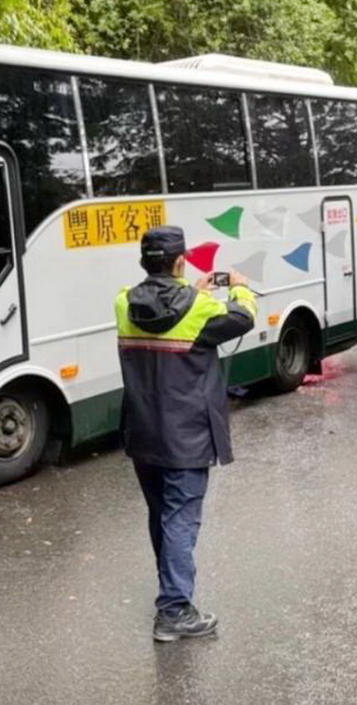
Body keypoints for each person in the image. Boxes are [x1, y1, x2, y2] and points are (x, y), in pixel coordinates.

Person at [114, 225, 257, 642]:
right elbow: (242, 318)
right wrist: (240, 288)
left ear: (145, 262)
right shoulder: (200, 307)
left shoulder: (123, 302)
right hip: (186, 434)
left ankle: (171, 593)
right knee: (180, 519)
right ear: (180, 261)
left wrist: (186, 290)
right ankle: (174, 610)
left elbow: (161, 312)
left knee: (161, 514)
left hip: (142, 431)